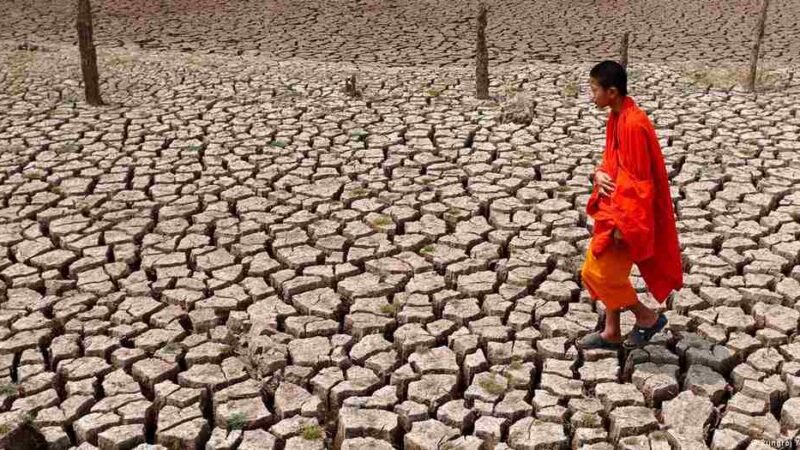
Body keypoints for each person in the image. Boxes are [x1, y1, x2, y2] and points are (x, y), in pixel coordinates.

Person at [579, 60, 683, 349]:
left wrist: (624, 225)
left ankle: (647, 317)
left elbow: (638, 183)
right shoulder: (616, 116)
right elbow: (612, 163)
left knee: (602, 275)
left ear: (611, 92)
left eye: (594, 89)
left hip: (624, 216)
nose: (591, 96)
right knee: (598, 271)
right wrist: (598, 173)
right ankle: (612, 331)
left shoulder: (634, 124)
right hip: (612, 207)